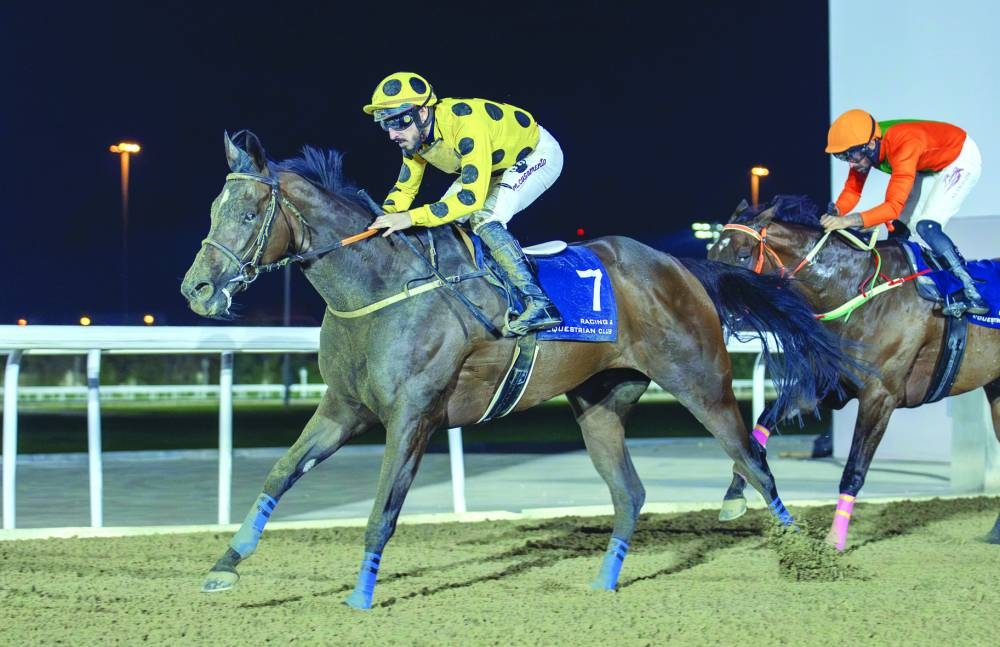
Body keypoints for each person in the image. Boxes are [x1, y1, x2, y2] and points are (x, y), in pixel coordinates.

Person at [363, 71, 563, 336]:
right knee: (449, 222)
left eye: (398, 123)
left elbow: (470, 198)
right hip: (493, 165)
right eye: (385, 124)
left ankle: (539, 302)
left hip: (537, 155)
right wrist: (379, 219)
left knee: (483, 217)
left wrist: (410, 218)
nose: (392, 134)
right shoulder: (415, 138)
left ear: (422, 113)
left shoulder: (465, 124)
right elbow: (404, 189)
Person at [820, 108, 988, 316]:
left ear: (871, 144)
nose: (851, 163)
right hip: (929, 163)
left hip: (959, 158)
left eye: (852, 156)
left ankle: (973, 291)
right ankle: (900, 287)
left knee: (926, 225)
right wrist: (837, 210)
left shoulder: (903, 144)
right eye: (843, 157)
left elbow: (892, 206)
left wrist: (847, 221)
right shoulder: (866, 146)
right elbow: (853, 190)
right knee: (899, 228)